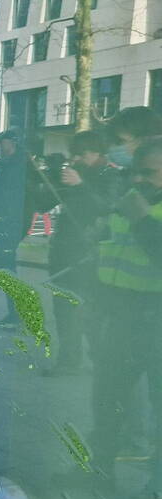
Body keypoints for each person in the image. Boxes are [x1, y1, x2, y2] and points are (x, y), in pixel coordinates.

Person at [91, 138, 162, 475]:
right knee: (107, 397)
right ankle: (99, 468)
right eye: (136, 172)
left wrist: (143, 220)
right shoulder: (135, 202)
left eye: (148, 172)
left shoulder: (142, 209)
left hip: (156, 318)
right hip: (123, 316)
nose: (138, 179)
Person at [38, 131, 120, 375]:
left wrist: (81, 185)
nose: (76, 160)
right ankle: (69, 361)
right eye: (74, 155)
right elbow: (43, 203)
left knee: (93, 313)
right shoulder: (77, 173)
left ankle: (102, 362)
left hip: (93, 255)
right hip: (65, 251)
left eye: (81, 155)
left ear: (97, 153)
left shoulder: (112, 175)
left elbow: (107, 207)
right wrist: (50, 176)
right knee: (64, 310)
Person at [0, 130, 34, 328]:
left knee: (6, 269)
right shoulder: (6, 164)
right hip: (2, 224)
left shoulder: (18, 165)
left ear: (13, 143)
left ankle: (16, 315)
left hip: (10, 224)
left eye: (1, 142)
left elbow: (9, 199)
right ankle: (15, 313)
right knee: (5, 269)